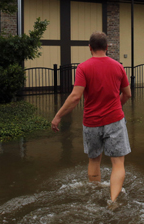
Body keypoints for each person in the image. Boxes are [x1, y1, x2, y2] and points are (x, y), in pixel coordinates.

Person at [51, 31, 132, 204]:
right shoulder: (118, 66)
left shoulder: (83, 68)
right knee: (118, 164)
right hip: (114, 120)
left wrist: (58, 116)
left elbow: (75, 97)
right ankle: (113, 201)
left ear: (90, 47)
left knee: (94, 161)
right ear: (107, 47)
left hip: (91, 122)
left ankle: (94, 199)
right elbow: (127, 94)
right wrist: (117, 106)